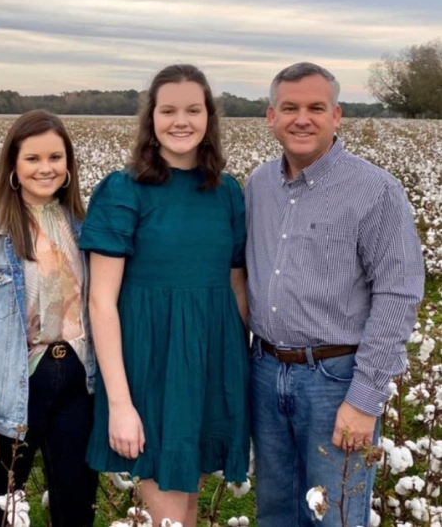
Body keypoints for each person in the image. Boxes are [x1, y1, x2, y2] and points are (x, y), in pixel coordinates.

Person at [246, 61, 425, 527]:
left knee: (335, 516)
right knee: (275, 512)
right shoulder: (257, 186)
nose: (301, 118)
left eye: (315, 108)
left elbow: (399, 292)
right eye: (289, 108)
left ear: (337, 116)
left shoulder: (375, 190)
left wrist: (364, 398)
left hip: (336, 380)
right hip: (265, 373)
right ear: (271, 117)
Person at [80, 64, 250, 527]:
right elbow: (101, 302)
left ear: (209, 117)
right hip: (150, 366)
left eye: (193, 110)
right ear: (151, 119)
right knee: (169, 514)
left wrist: (242, 375)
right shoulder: (124, 189)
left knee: (185, 505)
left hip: (213, 360)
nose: (181, 121)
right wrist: (120, 402)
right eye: (168, 110)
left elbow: (238, 288)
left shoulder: (228, 192)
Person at [0, 109, 98, 527]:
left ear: (68, 165)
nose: (45, 168)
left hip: (80, 380)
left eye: (55, 158)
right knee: (1, 508)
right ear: (13, 165)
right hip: (15, 384)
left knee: (76, 506)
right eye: (32, 158)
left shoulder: (88, 227)